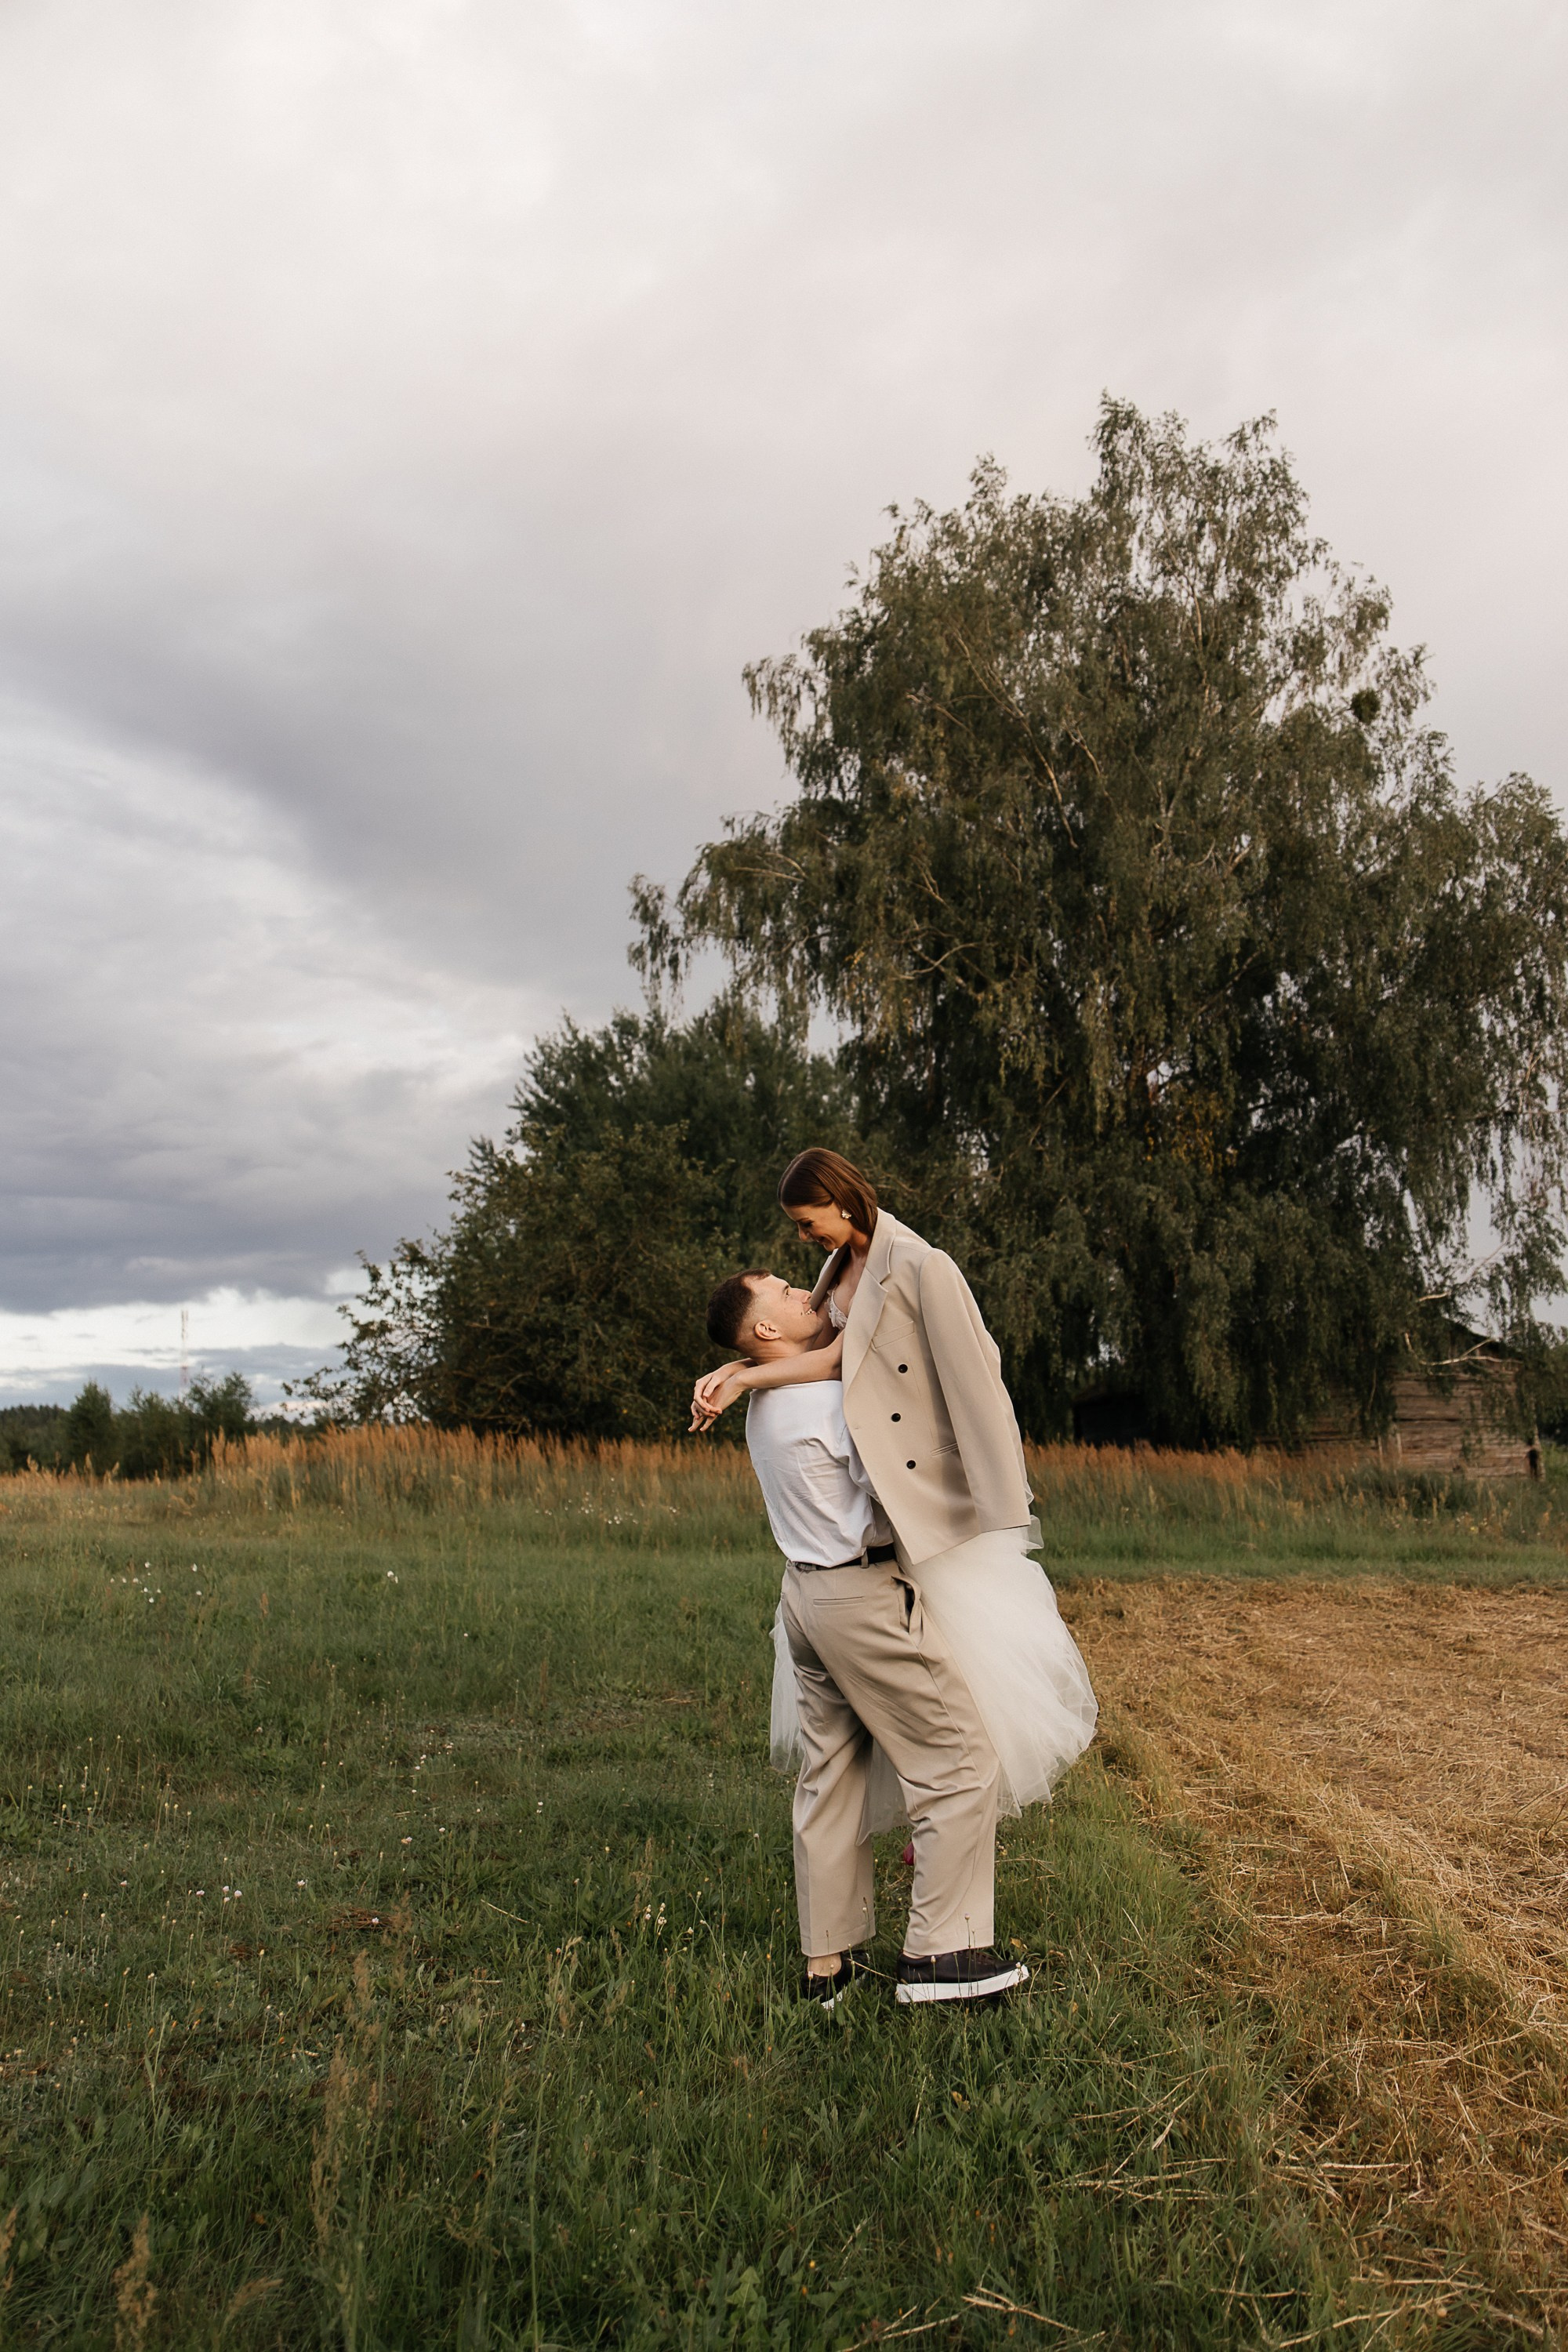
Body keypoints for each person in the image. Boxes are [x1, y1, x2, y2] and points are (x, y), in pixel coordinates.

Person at [695, 1149, 1097, 1820]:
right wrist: (740, 1371)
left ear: (840, 1202)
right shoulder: (836, 1267)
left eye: (807, 1221)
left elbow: (976, 1375)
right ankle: (936, 1830)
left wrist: (744, 1375)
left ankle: (938, 1824)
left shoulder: (920, 1265)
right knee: (923, 1702)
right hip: (875, 1511)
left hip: (921, 1489)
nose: (803, 1237)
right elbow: (829, 1357)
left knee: (963, 1675)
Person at [704, 1264, 1029, 2010]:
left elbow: (843, 1352)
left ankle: (827, 1966)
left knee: (831, 1774)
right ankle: (942, 1956)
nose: (805, 1291)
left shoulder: (771, 1401)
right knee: (958, 1762)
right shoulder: (827, 1401)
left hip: (805, 1600)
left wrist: (743, 1375)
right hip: (860, 1599)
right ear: (765, 1329)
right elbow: (903, 1470)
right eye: (785, 1292)